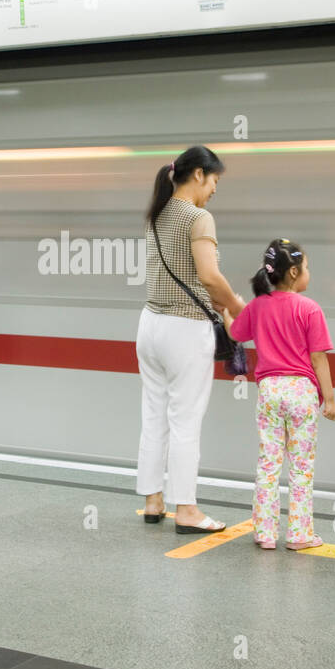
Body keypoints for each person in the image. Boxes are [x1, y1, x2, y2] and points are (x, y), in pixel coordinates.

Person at [137, 146, 245, 533]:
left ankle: (153, 500)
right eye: (215, 180)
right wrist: (237, 306)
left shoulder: (156, 214)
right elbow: (210, 277)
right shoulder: (199, 217)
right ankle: (187, 510)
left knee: (154, 415)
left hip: (150, 325)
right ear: (199, 174)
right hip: (184, 328)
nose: (215, 189)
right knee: (186, 420)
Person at [229, 239, 335, 550]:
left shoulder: (258, 305)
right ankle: (299, 536)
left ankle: (264, 534)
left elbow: (236, 332)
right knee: (301, 466)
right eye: (307, 267)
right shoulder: (309, 308)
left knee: (268, 463)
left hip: (269, 392)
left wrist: (227, 309)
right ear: (293, 271)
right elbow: (318, 358)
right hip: (301, 392)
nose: (308, 272)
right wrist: (329, 399)